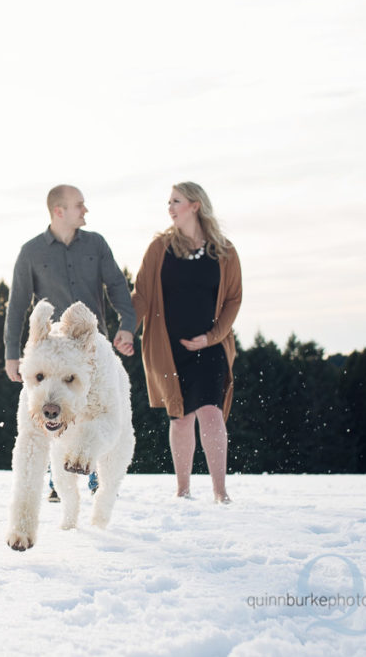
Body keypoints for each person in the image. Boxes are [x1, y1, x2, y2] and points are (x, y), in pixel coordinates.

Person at [4, 184, 137, 499]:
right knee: (51, 409)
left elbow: (118, 285)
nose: (85, 210)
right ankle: (57, 481)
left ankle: (93, 477)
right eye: (80, 205)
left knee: (95, 411)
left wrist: (127, 325)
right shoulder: (31, 252)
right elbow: (17, 304)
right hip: (51, 350)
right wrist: (12, 353)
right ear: (59, 210)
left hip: (91, 349)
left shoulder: (96, 245)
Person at [131, 182, 242, 503]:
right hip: (169, 351)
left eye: (175, 201)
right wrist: (128, 329)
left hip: (211, 347)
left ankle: (221, 494)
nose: (170, 207)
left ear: (195, 205)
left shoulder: (224, 250)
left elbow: (233, 299)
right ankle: (183, 491)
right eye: (169, 201)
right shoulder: (160, 248)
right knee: (181, 419)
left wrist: (212, 336)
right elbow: (142, 294)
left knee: (211, 411)